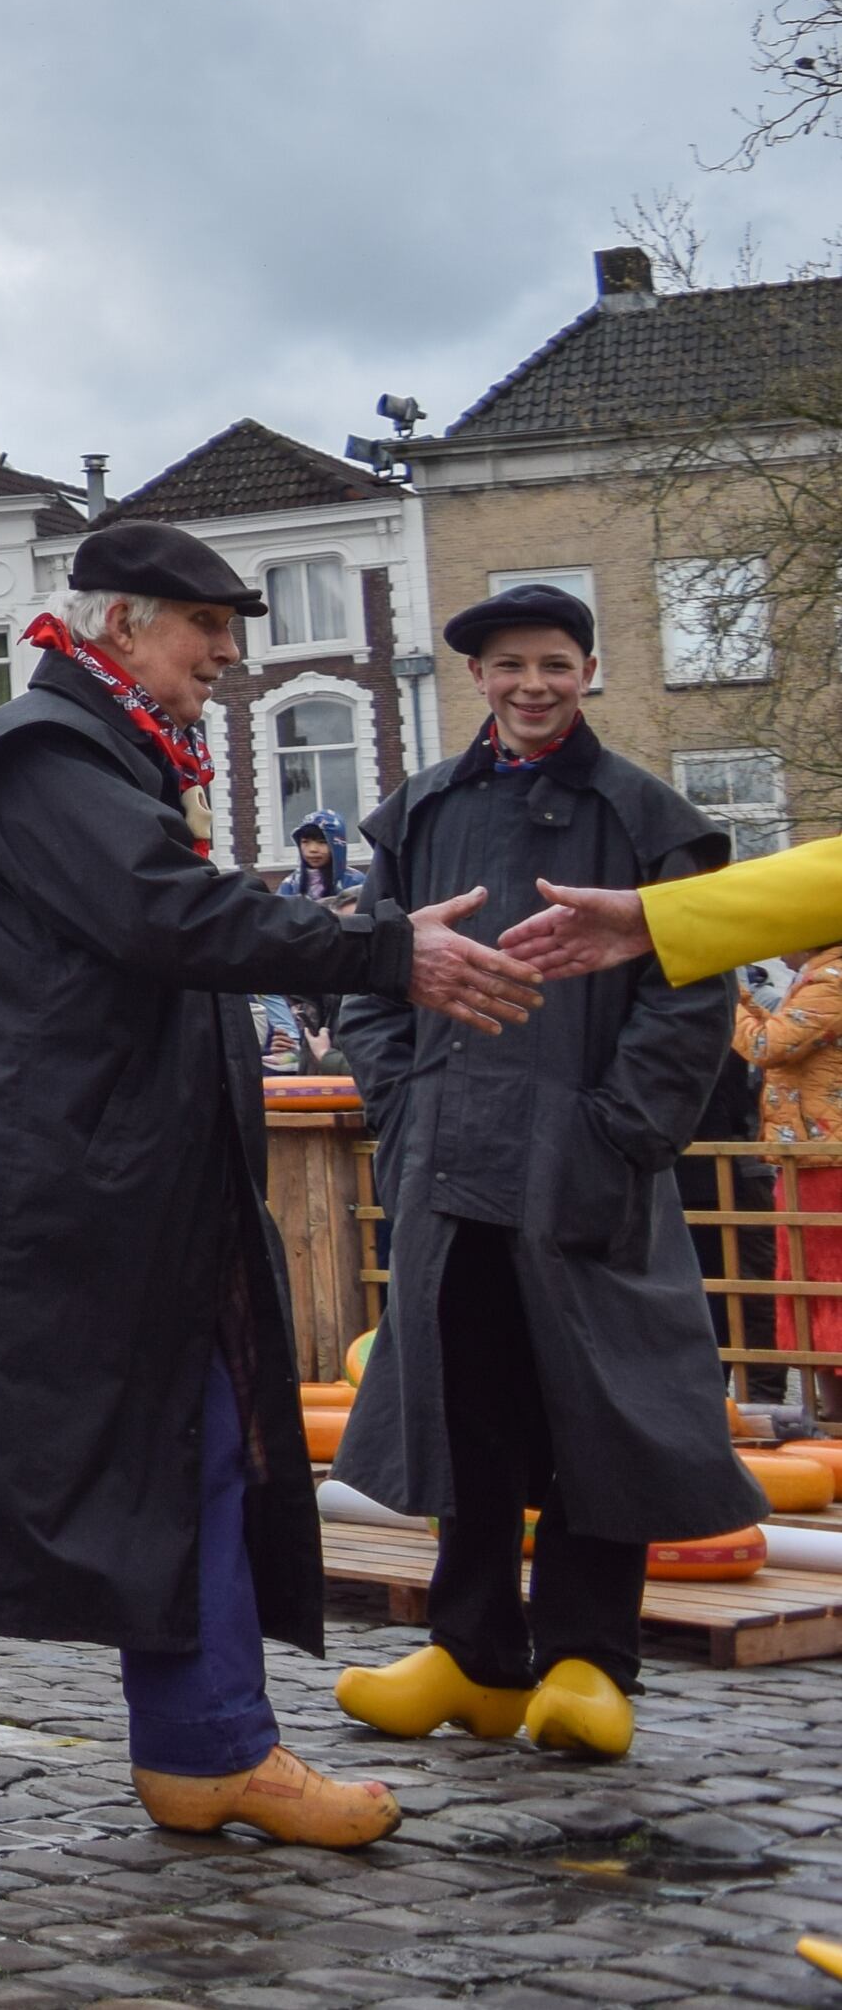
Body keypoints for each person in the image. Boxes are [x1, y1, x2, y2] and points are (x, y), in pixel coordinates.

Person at [0, 517, 534, 1849]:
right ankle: (26, 1709)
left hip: (95, 1174)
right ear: (123, 625)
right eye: (206, 635)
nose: (224, 663)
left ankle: (137, 1728)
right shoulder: (50, 755)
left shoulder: (90, 752)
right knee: (117, 1440)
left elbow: (161, 923)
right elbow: (168, 918)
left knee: (159, 1436)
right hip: (57, 1187)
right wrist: (382, 949)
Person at [326, 583, 747, 1763]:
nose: (530, 685)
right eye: (509, 664)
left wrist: (620, 1129)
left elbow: (688, 990)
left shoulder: (643, 814)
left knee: (596, 1404)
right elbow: (368, 971)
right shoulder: (418, 812)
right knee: (464, 1402)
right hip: (447, 1155)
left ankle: (583, 1659)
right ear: (476, 678)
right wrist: (400, 1098)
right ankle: (471, 1653)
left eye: (553, 664)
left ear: (587, 671)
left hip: (586, 1159)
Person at [744, 944, 842, 1427]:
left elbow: (768, 1046)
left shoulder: (832, 981)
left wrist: (725, 1005)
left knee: (824, 1284)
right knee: (809, 1287)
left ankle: (836, 1417)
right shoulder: (821, 979)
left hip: (827, 1160)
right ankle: (829, 1416)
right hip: (809, 1155)